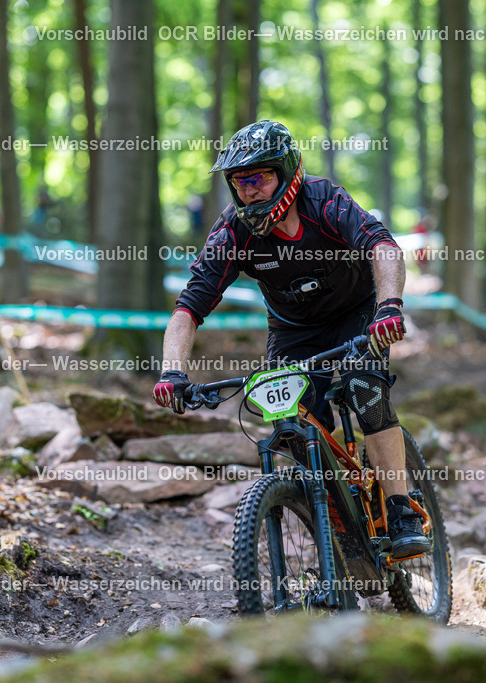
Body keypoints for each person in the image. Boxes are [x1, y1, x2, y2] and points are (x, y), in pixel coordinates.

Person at [152, 120, 429, 558]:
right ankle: (331, 519)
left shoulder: (324, 202)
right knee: (291, 418)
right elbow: (189, 306)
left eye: (259, 177)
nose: (249, 191)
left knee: (363, 387)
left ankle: (400, 508)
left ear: (286, 172)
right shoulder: (234, 232)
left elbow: (383, 246)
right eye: (239, 181)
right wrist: (172, 370)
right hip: (293, 330)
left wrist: (389, 307)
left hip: (357, 312)